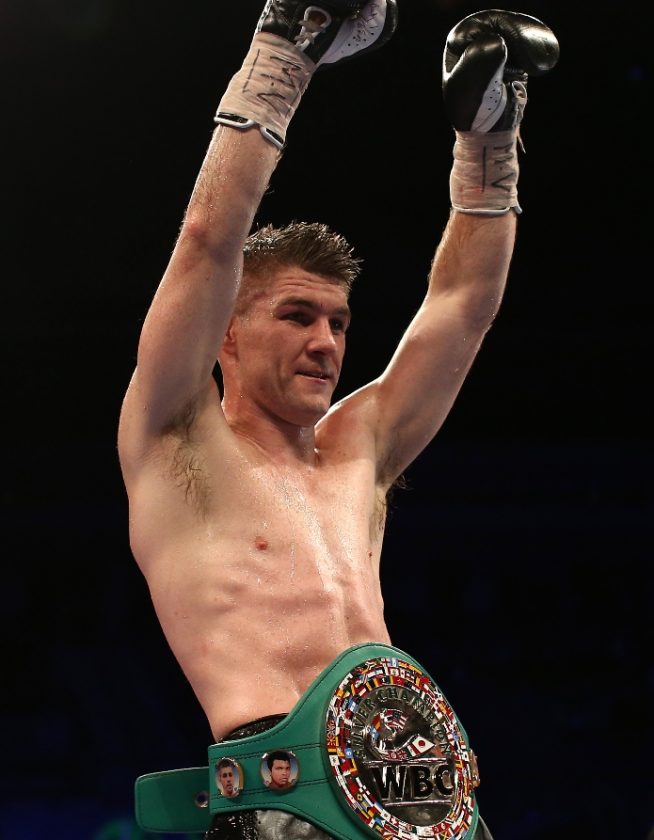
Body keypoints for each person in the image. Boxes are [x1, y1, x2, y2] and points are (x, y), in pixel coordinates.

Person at [118, 2, 559, 839]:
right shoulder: (179, 436)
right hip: (285, 807)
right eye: (296, 316)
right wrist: (285, 52)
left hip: (426, 804)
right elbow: (209, 240)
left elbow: (463, 306)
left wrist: (491, 138)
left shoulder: (359, 448)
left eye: (339, 322)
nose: (326, 342)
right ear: (224, 333)